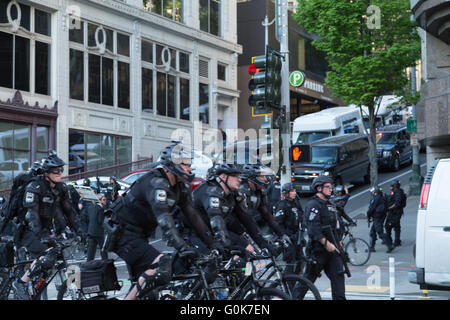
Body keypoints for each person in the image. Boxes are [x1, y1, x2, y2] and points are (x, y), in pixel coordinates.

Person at [106, 142, 214, 300]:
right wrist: (181, 246)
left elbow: (194, 217)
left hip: (140, 235)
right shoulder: (157, 183)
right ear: (171, 164)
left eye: (190, 164)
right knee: (161, 264)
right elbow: (164, 219)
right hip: (122, 233)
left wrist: (213, 244)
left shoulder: (180, 186)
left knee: (150, 293)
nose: (189, 168)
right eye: (185, 164)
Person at [12, 151, 83, 300]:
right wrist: (42, 235)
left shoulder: (61, 188)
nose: (60, 173)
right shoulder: (34, 187)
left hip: (44, 229)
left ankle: (40, 286)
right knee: (48, 254)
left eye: (61, 169)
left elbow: (69, 212)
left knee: (58, 256)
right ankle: (20, 283)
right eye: (56, 170)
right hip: (27, 229)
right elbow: (32, 215)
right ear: (46, 172)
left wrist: (80, 232)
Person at [297, 176, 346, 300]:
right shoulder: (313, 205)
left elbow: (338, 224)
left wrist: (339, 239)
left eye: (331, 187)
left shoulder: (331, 204)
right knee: (307, 281)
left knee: (339, 279)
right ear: (319, 188)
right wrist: (326, 243)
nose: (331, 190)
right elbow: (313, 228)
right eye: (328, 187)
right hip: (318, 251)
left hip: (333, 250)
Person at [274, 183, 305, 275]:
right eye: (292, 191)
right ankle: (287, 281)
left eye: (295, 191)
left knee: (301, 259)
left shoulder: (295, 203)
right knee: (291, 262)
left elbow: (301, 216)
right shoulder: (282, 205)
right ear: (286, 193)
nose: (294, 193)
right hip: (288, 237)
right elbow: (277, 223)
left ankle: (298, 278)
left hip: (296, 236)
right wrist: (284, 236)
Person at [366, 186, 394, 253]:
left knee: (380, 232)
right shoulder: (382, 197)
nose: (372, 193)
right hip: (381, 217)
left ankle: (390, 245)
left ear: (375, 192)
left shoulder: (376, 199)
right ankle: (372, 247)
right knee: (372, 232)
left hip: (377, 218)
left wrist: (368, 214)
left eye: (373, 192)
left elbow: (371, 208)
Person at [86, 194, 108, 261]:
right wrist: (105, 216)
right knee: (103, 248)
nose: (105, 201)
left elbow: (88, 217)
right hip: (98, 232)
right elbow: (100, 220)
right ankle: (105, 262)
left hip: (91, 230)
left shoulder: (91, 207)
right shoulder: (101, 209)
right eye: (103, 200)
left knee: (91, 250)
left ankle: (89, 263)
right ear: (99, 200)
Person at [385, 182, 404, 247]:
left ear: (395, 186)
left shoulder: (398, 193)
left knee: (388, 226)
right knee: (397, 226)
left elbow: (397, 204)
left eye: (391, 186)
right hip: (395, 212)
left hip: (395, 212)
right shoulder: (397, 192)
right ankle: (397, 240)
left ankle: (391, 241)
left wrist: (389, 208)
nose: (390, 187)